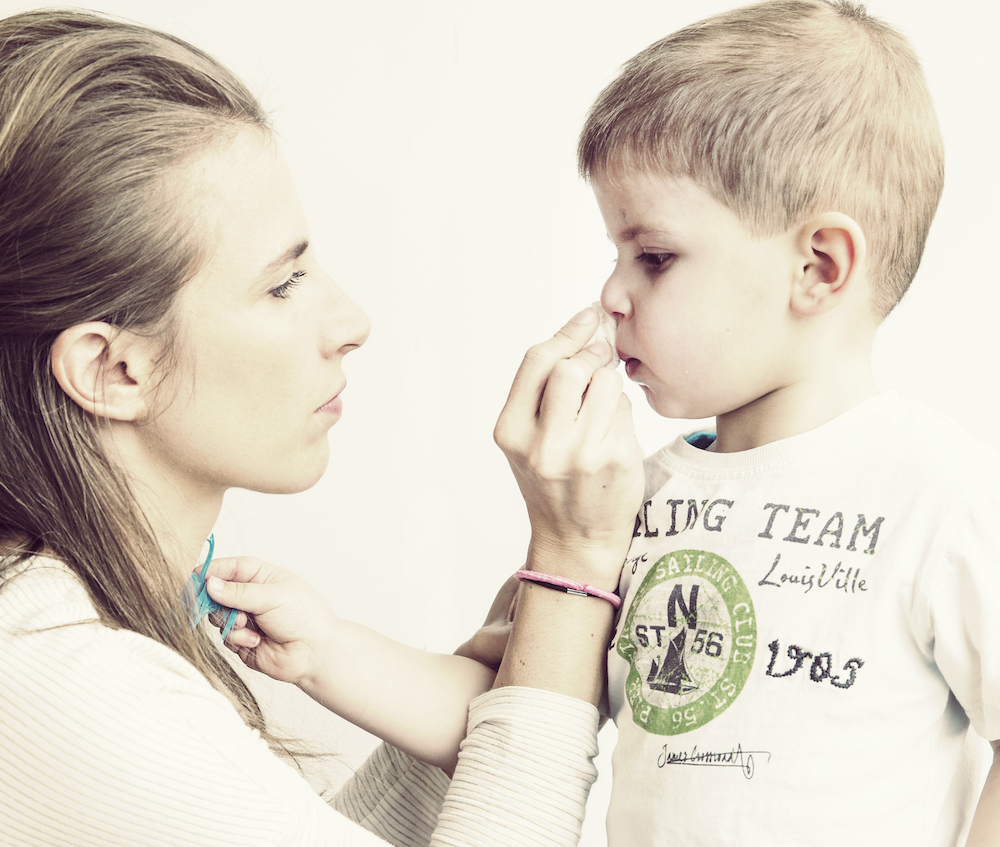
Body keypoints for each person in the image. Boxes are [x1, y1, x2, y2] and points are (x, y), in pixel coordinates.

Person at [212, 1, 1000, 845]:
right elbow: (516, 711)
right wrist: (327, 649)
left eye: (653, 257)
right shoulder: (623, 500)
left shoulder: (938, 493)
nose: (611, 295)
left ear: (818, 266)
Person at [0, 9, 643, 846]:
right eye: (283, 282)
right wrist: (568, 580)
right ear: (113, 370)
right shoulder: (56, 672)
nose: (352, 320)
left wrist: (526, 667)